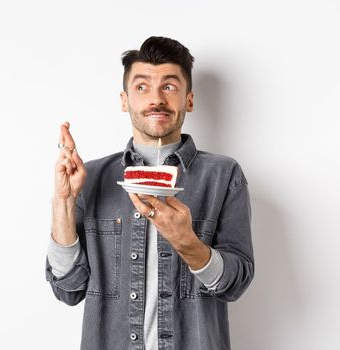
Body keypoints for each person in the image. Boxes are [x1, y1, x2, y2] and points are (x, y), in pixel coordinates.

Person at [45, 36, 254, 350]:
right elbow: (69, 290)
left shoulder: (223, 175)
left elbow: (235, 284)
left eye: (169, 86)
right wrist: (63, 201)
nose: (156, 99)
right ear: (124, 100)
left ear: (189, 99)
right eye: (142, 87)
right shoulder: (92, 177)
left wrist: (187, 242)